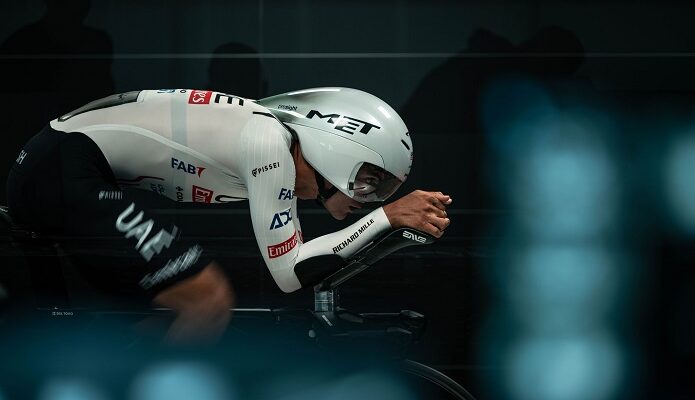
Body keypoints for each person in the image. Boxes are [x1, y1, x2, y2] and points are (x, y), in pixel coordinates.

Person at [6, 87, 452, 342]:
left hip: (62, 164)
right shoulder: (268, 145)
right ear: (336, 148)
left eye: (383, 188)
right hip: (64, 166)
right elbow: (290, 273)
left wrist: (385, 218)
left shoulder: (270, 138)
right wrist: (388, 216)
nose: (369, 196)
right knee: (206, 300)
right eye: (370, 179)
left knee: (163, 313)